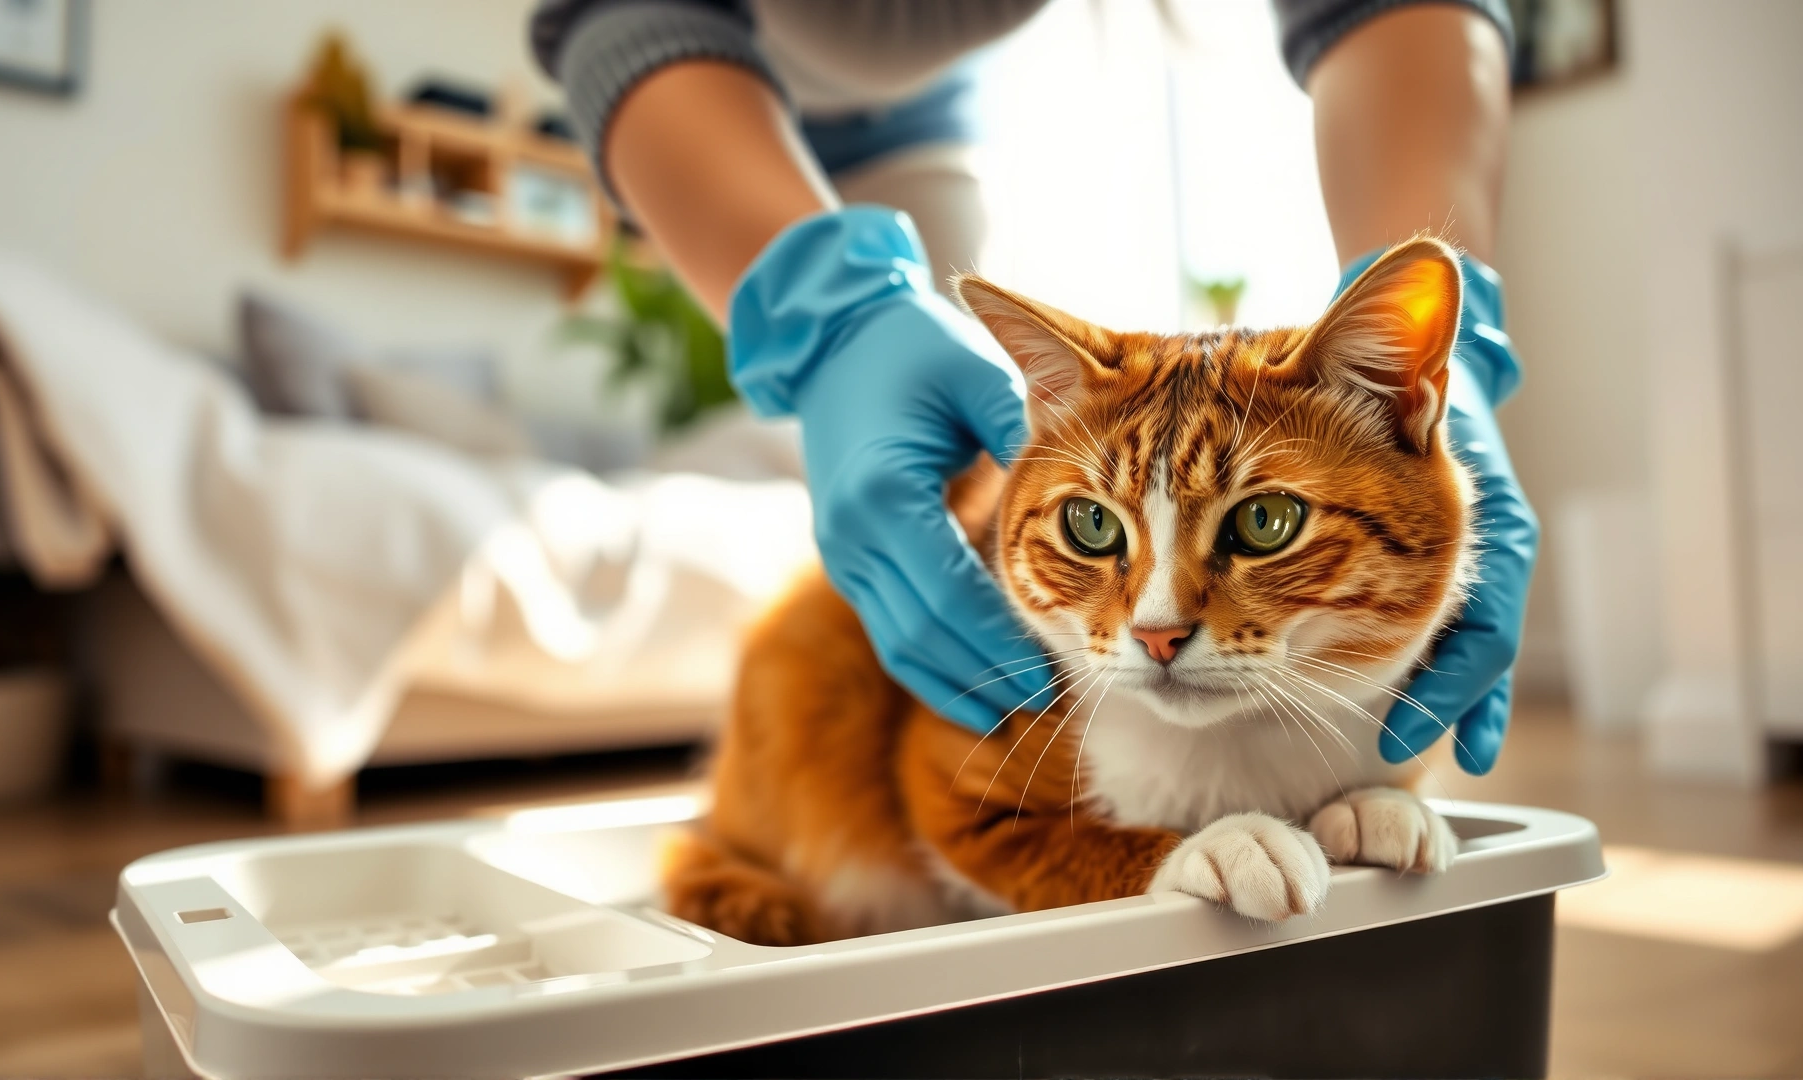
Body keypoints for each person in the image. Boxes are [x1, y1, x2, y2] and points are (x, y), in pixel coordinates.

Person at [530, 0, 1538, 775]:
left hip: (926, 116)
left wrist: (1419, 368)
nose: (1162, 618)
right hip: (697, 72)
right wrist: (830, 316)